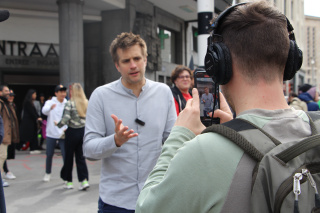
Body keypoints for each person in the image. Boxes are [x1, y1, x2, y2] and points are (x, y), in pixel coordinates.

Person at [135, 2, 307, 212]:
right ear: (290, 60)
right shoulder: (314, 126)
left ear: (219, 64)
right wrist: (238, 130)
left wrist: (179, 135)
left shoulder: (203, 153)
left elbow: (146, 208)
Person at [83, 32, 176, 212]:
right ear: (117, 65)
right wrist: (115, 141)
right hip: (116, 201)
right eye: (126, 61)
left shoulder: (163, 93)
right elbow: (89, 149)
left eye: (137, 58)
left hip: (155, 197)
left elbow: (172, 140)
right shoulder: (101, 96)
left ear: (145, 60)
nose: (133, 65)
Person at [55, 83, 89, 190]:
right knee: (80, 157)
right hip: (83, 132)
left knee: (69, 157)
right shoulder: (86, 102)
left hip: (72, 132)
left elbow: (66, 118)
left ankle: (69, 181)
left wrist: (58, 124)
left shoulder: (70, 103)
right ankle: (84, 180)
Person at [41, 85, 68, 182]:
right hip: (51, 133)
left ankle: (66, 175)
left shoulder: (67, 103)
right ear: (56, 93)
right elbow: (44, 111)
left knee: (65, 155)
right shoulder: (50, 102)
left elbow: (69, 117)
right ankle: (48, 173)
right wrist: (50, 108)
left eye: (64, 92)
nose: (63, 94)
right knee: (49, 154)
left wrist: (66, 128)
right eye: (60, 92)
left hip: (63, 133)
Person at [0, 85, 19, 188]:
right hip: (2, 136)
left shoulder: (7, 104)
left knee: (3, 157)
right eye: (6, 91)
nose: (9, 93)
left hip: (5, 135)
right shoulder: (1, 104)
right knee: (1, 157)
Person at [19, 89, 42, 154]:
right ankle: (19, 146)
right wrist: (37, 118)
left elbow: (35, 112)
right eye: (34, 94)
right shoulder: (27, 102)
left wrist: (38, 117)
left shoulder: (32, 102)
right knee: (26, 135)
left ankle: (34, 148)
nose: (35, 95)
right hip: (28, 123)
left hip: (31, 122)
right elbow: (32, 112)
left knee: (34, 135)